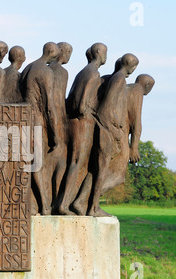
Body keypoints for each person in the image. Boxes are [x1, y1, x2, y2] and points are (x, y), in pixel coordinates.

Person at [57, 43, 107, 215]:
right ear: (99, 53)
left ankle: (63, 202)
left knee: (74, 163)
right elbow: (80, 105)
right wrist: (90, 112)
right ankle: (63, 204)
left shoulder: (83, 71)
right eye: (105, 52)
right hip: (82, 123)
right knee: (77, 163)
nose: (106, 56)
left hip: (73, 123)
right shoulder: (93, 73)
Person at [88, 53, 139, 217]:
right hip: (107, 128)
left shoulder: (115, 78)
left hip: (107, 127)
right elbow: (107, 106)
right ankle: (93, 207)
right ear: (131, 66)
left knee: (99, 169)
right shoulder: (119, 79)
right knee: (101, 170)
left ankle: (89, 204)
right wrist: (115, 128)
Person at [20, 42, 60, 214]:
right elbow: (49, 105)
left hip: (23, 118)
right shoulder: (45, 71)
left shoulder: (29, 67)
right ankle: (43, 205)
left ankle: (38, 204)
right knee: (37, 163)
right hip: (36, 119)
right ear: (52, 52)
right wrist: (55, 134)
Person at [47, 42, 72, 212]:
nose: (70, 55)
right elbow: (57, 100)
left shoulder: (45, 68)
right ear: (62, 52)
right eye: (69, 52)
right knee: (60, 163)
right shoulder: (61, 72)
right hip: (56, 120)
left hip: (46, 119)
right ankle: (56, 202)